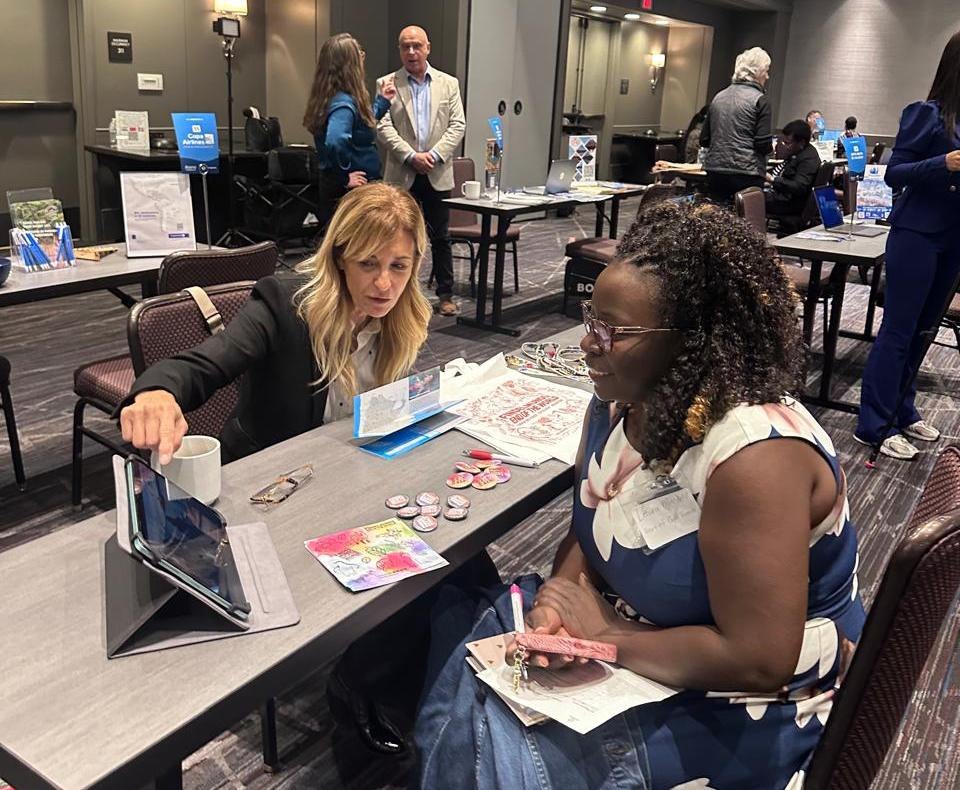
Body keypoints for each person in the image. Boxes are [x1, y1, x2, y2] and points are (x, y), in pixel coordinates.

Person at [414, 201, 864, 789]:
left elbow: (760, 658)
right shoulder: (616, 399)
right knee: (463, 673)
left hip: (748, 699)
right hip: (632, 631)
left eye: (615, 331)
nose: (588, 344)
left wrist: (607, 639)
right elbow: (590, 522)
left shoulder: (755, 456)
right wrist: (560, 606)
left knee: (496, 747)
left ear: (694, 340)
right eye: (589, 320)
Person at [119, 182, 432, 465]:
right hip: (266, 476)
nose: (384, 284)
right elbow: (205, 364)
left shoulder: (403, 319)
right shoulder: (284, 305)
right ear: (340, 257)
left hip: (351, 468)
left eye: (399, 266)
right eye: (368, 263)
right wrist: (156, 392)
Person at [855, 30, 960, 460]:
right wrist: (944, 163)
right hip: (916, 234)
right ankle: (873, 424)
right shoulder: (927, 114)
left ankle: (903, 409)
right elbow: (894, 172)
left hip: (954, 238)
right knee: (898, 331)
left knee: (925, 330)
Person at [377, 25, 466, 317]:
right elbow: (382, 125)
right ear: (399, 50)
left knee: (440, 237)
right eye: (405, 46)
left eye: (417, 46)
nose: (411, 52)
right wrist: (410, 155)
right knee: (396, 238)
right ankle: (399, 296)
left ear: (428, 48)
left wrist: (435, 155)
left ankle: (445, 294)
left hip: (437, 173)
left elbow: (457, 125)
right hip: (401, 175)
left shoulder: (448, 83)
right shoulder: (387, 83)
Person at [303, 33, 397, 230]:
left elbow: (359, 127)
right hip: (353, 191)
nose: (363, 59)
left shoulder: (332, 98)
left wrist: (382, 102)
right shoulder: (344, 103)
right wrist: (345, 176)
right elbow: (335, 140)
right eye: (360, 55)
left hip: (339, 188)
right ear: (350, 64)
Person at [700, 47, 774, 203]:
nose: (767, 76)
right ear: (758, 72)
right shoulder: (760, 100)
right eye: (766, 71)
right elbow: (762, 143)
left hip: (715, 170)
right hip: (747, 172)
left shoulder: (718, 97)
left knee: (717, 218)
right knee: (745, 221)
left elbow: (704, 139)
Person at [765, 119, 821, 232]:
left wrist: (772, 180)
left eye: (788, 143)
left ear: (801, 143)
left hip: (789, 203)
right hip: (785, 198)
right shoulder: (800, 154)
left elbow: (799, 186)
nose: (784, 146)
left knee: (749, 199)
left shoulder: (807, 159)